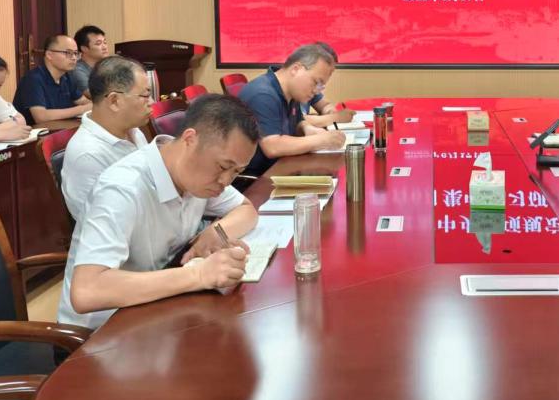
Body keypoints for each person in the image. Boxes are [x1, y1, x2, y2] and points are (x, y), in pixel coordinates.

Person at [60, 94, 260, 330]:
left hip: (158, 306)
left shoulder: (195, 174)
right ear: (190, 139)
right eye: (224, 166)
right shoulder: (122, 188)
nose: (226, 181)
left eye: (236, 171)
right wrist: (198, 275)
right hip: (102, 331)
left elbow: (246, 210)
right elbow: (87, 291)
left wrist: (216, 231)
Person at [61, 56, 152, 224]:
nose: (151, 102)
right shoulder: (87, 155)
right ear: (114, 101)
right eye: (145, 95)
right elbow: (102, 225)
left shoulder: (133, 130)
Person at [239, 43, 349, 174]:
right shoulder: (262, 94)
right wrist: (322, 140)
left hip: (282, 167)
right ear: (296, 69)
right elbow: (272, 146)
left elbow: (297, 122)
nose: (316, 91)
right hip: (259, 178)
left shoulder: (292, 92)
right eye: (316, 82)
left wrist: (308, 129)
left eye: (321, 86)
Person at [13, 34, 92, 124]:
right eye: (68, 53)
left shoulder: (67, 76)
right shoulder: (33, 79)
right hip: (37, 131)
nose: (74, 58)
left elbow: (83, 101)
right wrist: (81, 109)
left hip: (61, 127)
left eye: (76, 53)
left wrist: (91, 105)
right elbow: (41, 116)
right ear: (49, 55)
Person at [70, 25, 110, 97]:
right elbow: (93, 96)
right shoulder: (77, 70)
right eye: (98, 43)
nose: (105, 47)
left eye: (105, 42)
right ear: (84, 49)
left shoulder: (107, 65)